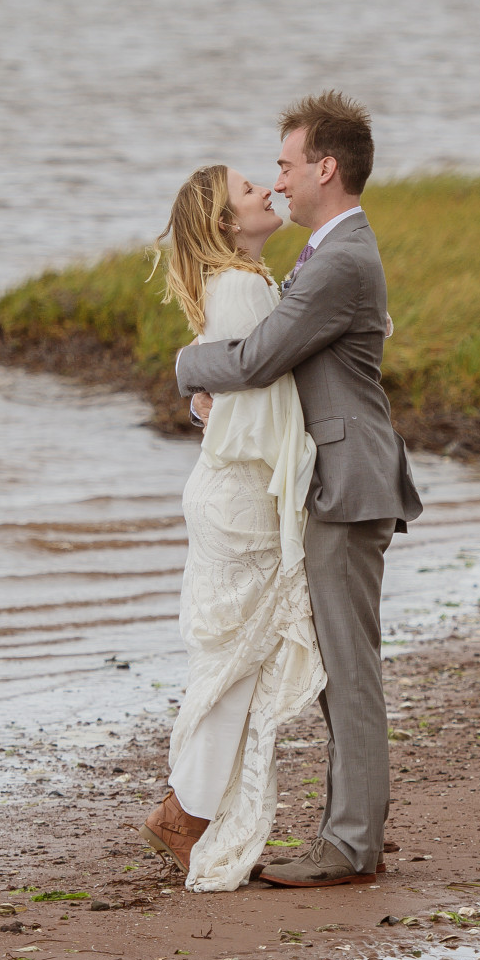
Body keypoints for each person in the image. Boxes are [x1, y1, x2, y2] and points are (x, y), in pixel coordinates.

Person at [174, 91, 421, 888]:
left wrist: (184, 366)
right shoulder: (325, 251)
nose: (276, 182)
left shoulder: (341, 259)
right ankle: (352, 833)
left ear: (325, 166)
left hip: (348, 481)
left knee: (347, 667)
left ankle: (350, 843)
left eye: (283, 164)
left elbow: (253, 360)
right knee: (340, 662)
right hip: (340, 476)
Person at [139, 164, 325, 892]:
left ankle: (185, 810)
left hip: (228, 489)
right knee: (236, 664)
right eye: (252, 190)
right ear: (224, 221)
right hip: (242, 494)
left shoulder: (236, 284)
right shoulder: (244, 286)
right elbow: (259, 402)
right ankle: (183, 814)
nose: (269, 193)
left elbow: (235, 390)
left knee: (234, 662)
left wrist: (205, 402)